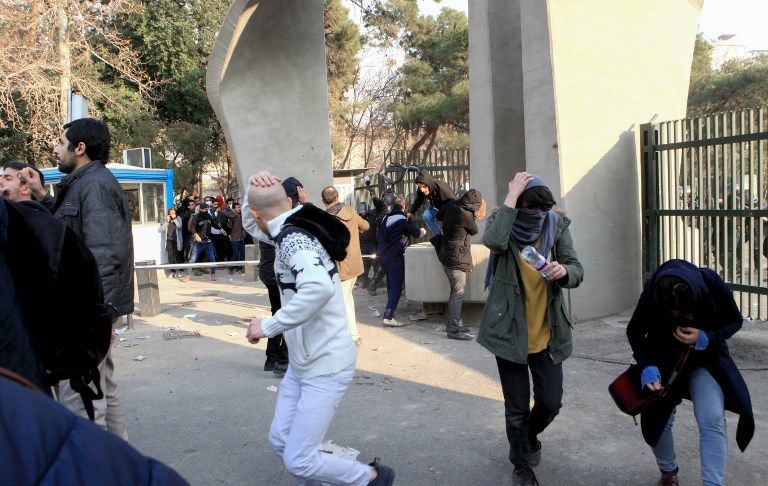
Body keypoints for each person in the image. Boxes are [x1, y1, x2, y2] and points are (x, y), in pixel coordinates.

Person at [244, 172, 395, 486]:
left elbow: (317, 289)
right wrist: (253, 184)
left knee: (298, 458)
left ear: (259, 213)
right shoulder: (293, 223)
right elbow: (253, 221)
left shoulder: (293, 240)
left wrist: (267, 326)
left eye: (252, 211)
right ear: (287, 202)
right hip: (304, 364)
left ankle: (370, 478)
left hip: (325, 365)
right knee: (282, 442)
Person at [23, 118, 134, 440]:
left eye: (60, 141)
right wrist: (43, 196)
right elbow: (67, 235)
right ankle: (118, 465)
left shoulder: (94, 186)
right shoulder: (83, 183)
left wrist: (99, 317)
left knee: (83, 404)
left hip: (83, 315)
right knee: (103, 394)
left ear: (80, 148)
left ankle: (96, 468)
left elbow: (103, 255)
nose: (55, 148)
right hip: (87, 314)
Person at [477, 172, 583, 486]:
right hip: (509, 328)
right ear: (519, 205)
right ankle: (521, 465)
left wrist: (563, 270)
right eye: (530, 208)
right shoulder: (503, 222)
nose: (537, 215)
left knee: (551, 402)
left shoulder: (557, 225)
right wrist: (511, 195)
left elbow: (576, 269)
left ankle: (528, 436)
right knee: (516, 406)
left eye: (542, 210)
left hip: (548, 331)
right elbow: (493, 242)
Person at [626, 259, 754, 486]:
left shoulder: (709, 283)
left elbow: (734, 320)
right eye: (671, 312)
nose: (676, 315)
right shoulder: (653, 289)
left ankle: (713, 483)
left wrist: (705, 337)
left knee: (712, 418)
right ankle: (668, 471)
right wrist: (647, 365)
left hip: (704, 362)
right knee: (657, 419)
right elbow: (635, 330)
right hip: (663, 364)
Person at [242, 176, 308, 375]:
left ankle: (272, 360)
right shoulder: (298, 224)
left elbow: (250, 223)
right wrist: (307, 205)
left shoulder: (273, 224)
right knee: (289, 317)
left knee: (278, 313)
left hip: (269, 275)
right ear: (291, 200)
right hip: (286, 281)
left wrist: (250, 189)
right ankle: (281, 361)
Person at [433, 189, 485, 341]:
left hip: (445, 253)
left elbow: (438, 215)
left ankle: (452, 324)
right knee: (458, 293)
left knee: (454, 291)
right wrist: (473, 215)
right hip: (457, 257)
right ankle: (454, 329)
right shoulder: (466, 214)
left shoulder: (451, 205)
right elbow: (474, 230)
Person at [322, 186, 370, 345]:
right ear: (337, 197)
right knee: (347, 298)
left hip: (339, 266)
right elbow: (366, 226)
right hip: (354, 264)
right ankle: (349, 335)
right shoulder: (350, 210)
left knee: (343, 301)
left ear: (324, 201)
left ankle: (352, 336)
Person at [376, 195, 425, 327]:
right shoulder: (403, 220)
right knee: (396, 286)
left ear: (392, 207)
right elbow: (417, 234)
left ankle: (389, 310)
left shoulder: (385, 218)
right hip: (394, 257)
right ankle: (388, 315)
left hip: (382, 256)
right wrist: (423, 230)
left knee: (390, 285)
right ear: (404, 207)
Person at [410, 169, 454, 236]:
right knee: (426, 216)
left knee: (448, 223)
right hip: (435, 206)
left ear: (429, 184)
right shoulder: (421, 190)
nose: (422, 190)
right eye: (420, 187)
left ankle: (448, 236)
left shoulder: (442, 188)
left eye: (424, 187)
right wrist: (412, 212)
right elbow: (419, 200)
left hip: (448, 207)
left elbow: (451, 202)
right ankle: (438, 235)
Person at [184, 202, 218, 281]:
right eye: (205, 209)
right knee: (192, 258)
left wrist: (220, 229)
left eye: (207, 209)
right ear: (201, 209)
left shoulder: (209, 216)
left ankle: (213, 274)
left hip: (208, 241)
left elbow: (213, 224)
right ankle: (187, 275)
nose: (207, 210)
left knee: (212, 258)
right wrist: (196, 235)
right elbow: (192, 227)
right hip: (198, 242)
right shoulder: (196, 217)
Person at [162, 207, 184, 278]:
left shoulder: (178, 218)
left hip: (177, 240)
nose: (172, 214)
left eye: (173, 213)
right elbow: (161, 229)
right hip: (169, 240)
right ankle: (172, 271)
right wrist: (167, 222)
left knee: (178, 256)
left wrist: (174, 219)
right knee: (170, 256)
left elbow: (179, 226)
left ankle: (180, 270)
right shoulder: (167, 220)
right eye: (170, 213)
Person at [229, 202, 245, 274]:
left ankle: (240, 267)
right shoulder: (232, 217)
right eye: (237, 207)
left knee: (243, 253)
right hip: (234, 238)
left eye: (240, 207)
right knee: (235, 254)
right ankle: (231, 268)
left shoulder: (242, 216)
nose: (239, 209)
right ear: (233, 209)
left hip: (241, 238)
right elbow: (228, 226)